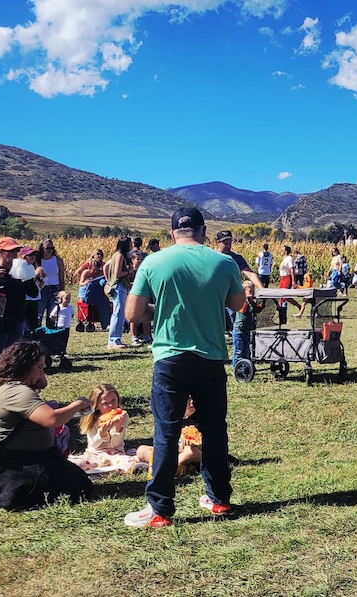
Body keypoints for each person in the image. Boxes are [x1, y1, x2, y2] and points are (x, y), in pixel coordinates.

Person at [122, 206, 244, 528]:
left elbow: (132, 314)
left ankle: (160, 509)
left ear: (172, 233)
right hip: (211, 357)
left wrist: (160, 310)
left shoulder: (154, 261)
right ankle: (219, 500)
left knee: (166, 432)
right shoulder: (224, 262)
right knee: (215, 431)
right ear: (204, 232)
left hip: (170, 359)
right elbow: (237, 304)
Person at [0, 340, 93, 509]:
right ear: (26, 366)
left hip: (25, 457)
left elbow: (42, 385)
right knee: (79, 487)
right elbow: (52, 419)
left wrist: (39, 375)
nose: (43, 371)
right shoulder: (16, 392)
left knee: (78, 482)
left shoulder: (9, 386)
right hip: (15, 463)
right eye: (40, 366)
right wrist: (78, 404)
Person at [0, 237, 39, 365]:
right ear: (0, 253)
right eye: (10, 252)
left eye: (16, 252)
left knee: (12, 358)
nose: (15, 255)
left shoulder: (20, 270)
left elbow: (33, 293)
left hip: (17, 318)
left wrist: (27, 278)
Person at [68, 382, 140, 475]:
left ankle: (132, 464)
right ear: (97, 406)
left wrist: (118, 428)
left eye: (113, 401)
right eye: (105, 403)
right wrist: (101, 433)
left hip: (116, 453)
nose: (111, 406)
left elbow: (115, 444)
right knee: (76, 465)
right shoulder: (92, 419)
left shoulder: (123, 416)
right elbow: (93, 445)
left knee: (129, 463)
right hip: (95, 454)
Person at [135, 398, 201, 478]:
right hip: (174, 452)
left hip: (193, 453)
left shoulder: (199, 419)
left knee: (191, 452)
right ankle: (183, 468)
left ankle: (162, 468)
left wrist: (195, 444)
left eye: (194, 398)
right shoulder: (171, 419)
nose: (192, 402)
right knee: (141, 450)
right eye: (188, 399)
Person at [104, 237, 133, 349]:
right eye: (130, 244)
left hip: (117, 285)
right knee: (118, 312)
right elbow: (118, 273)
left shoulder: (115, 255)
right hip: (119, 285)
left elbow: (106, 266)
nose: (131, 246)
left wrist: (108, 280)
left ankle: (115, 339)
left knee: (119, 312)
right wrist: (129, 271)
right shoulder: (120, 256)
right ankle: (114, 340)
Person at [36, 240, 65, 329]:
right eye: (47, 248)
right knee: (38, 315)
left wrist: (62, 292)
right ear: (42, 248)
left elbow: (61, 278)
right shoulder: (37, 260)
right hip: (42, 289)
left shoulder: (58, 260)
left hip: (55, 289)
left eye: (52, 248)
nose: (50, 250)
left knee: (52, 316)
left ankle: (51, 337)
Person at [277, 245, 302, 316]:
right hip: (283, 278)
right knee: (280, 295)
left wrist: (293, 281)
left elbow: (292, 269)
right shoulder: (284, 259)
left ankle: (298, 306)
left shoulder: (289, 258)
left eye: (282, 250)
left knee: (285, 295)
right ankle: (280, 309)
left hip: (287, 278)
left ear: (286, 251)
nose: (281, 252)